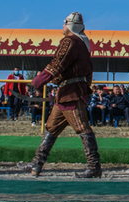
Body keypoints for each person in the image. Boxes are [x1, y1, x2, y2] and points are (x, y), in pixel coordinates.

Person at [22, 12, 102, 178]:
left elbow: (57, 64)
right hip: (66, 94)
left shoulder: (69, 41)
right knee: (51, 128)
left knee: (83, 129)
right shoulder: (83, 43)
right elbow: (88, 69)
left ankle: (94, 167)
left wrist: (38, 81)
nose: (62, 27)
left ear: (70, 25)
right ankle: (37, 163)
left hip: (71, 94)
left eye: (64, 24)